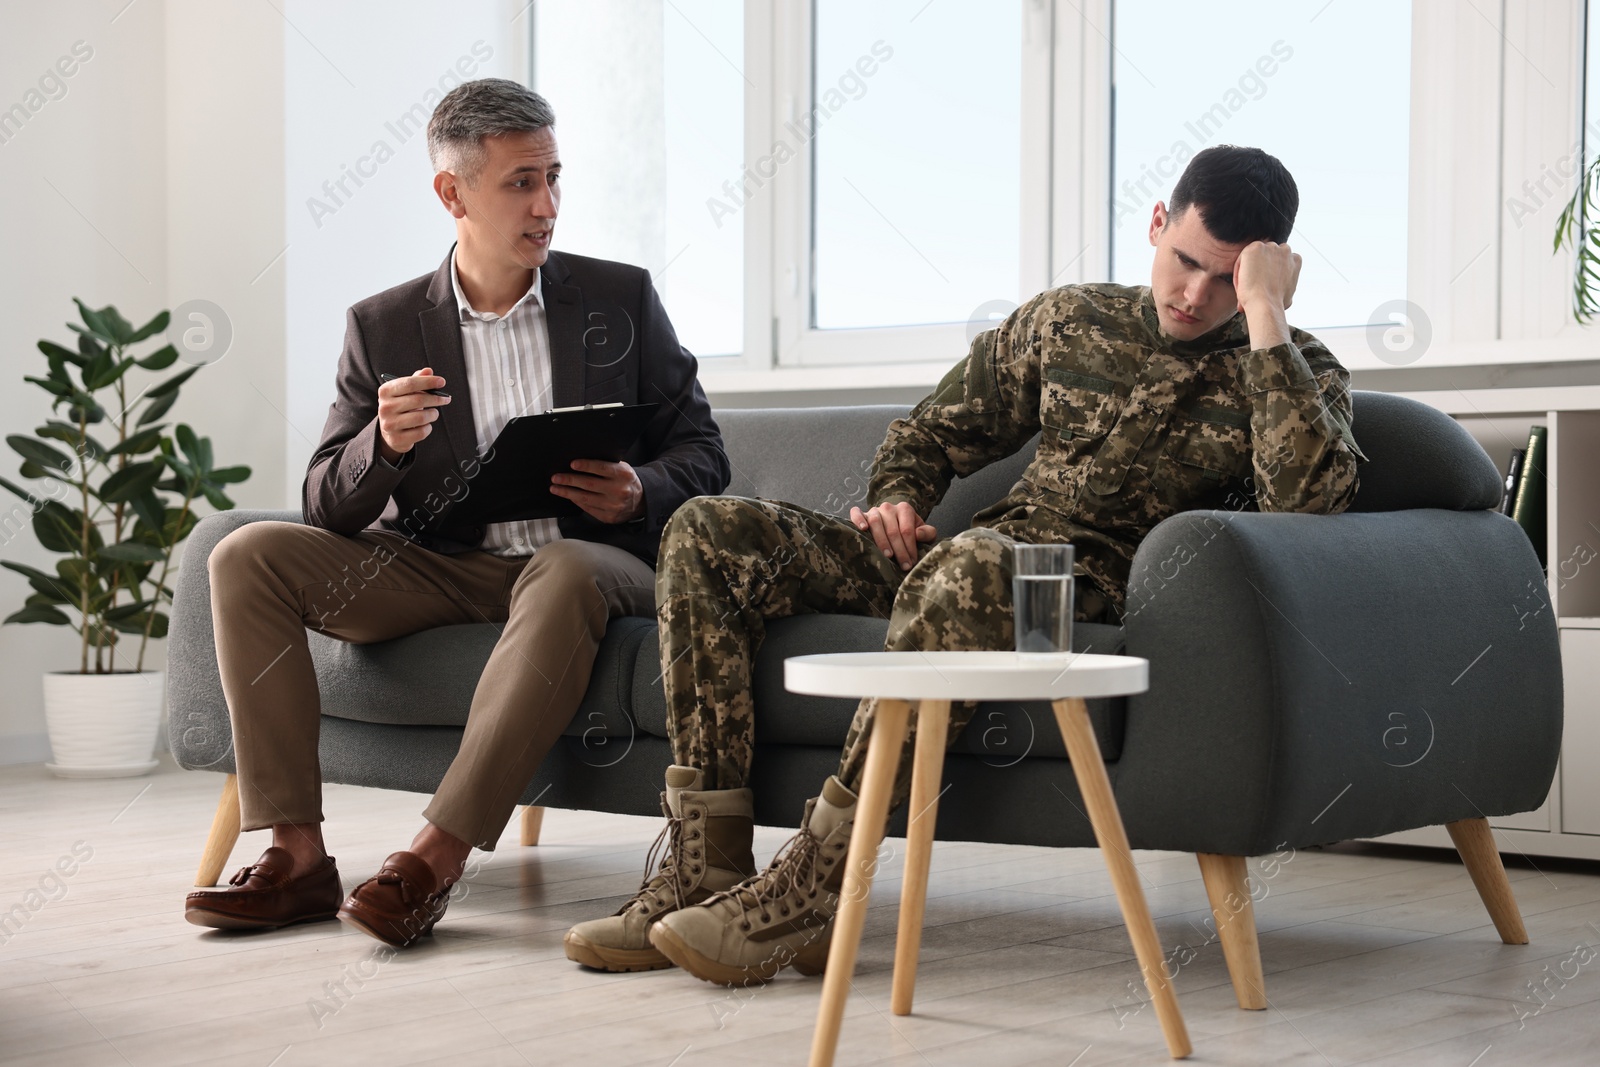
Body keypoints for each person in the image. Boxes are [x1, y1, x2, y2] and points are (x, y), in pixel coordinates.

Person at [564, 144, 1366, 982]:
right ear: (1157, 224)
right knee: (704, 529)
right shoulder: (1071, 317)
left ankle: (812, 889)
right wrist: (899, 498)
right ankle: (703, 871)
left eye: (1227, 280)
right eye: (1187, 262)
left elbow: (1306, 510)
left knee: (977, 562)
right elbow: (930, 432)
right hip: (963, 569)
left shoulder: (1298, 371)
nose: (1195, 296)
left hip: (1073, 597)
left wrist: (1265, 318)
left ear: (1267, 274)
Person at [184, 78, 729, 948]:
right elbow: (326, 499)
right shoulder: (386, 325)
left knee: (560, 571)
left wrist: (639, 486)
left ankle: (432, 857)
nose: (547, 205)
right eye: (522, 182)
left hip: (587, 561)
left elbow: (704, 453)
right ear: (452, 193)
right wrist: (383, 445)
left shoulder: (619, 301)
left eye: (554, 177)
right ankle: (297, 853)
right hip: (443, 564)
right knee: (243, 555)